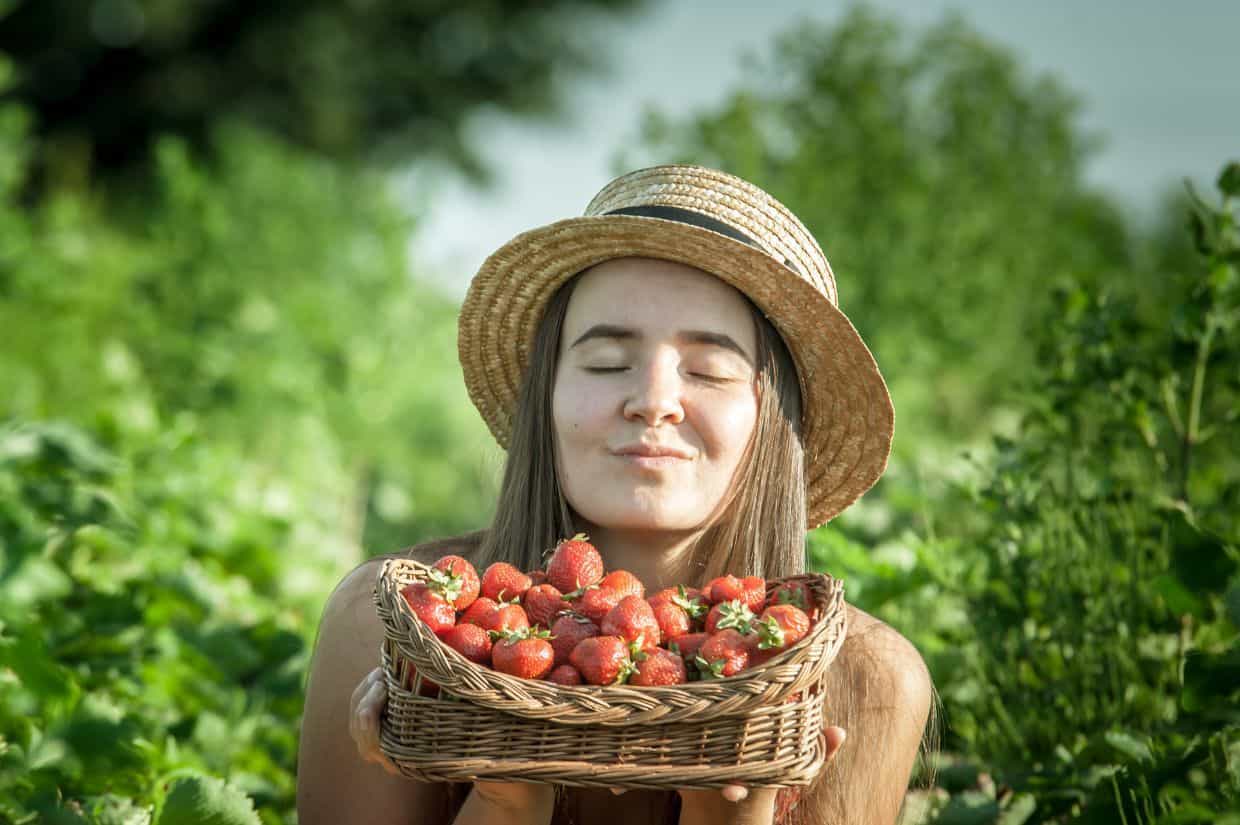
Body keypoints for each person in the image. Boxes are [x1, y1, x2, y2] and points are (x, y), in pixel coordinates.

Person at [296, 164, 938, 825]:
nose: (653, 401)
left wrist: (730, 811)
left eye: (710, 371)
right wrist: (505, 798)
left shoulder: (866, 682)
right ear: (545, 396)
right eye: (606, 363)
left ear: (774, 423)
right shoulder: (395, 627)